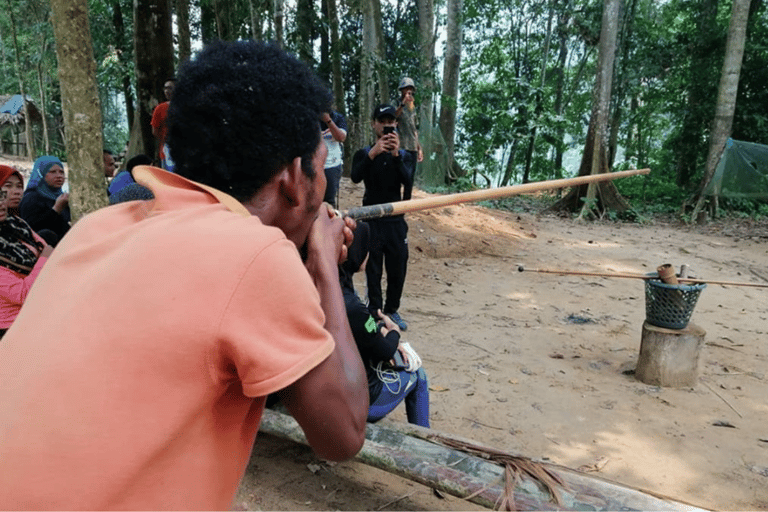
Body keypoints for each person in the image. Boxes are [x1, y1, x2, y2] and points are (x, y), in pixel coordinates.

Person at [0, 40, 368, 510]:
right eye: (319, 169)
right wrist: (322, 264)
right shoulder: (257, 255)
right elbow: (343, 434)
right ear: (295, 177)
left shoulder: (100, 226)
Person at [341, 222, 429, 427]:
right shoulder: (353, 307)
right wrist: (394, 333)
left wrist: (377, 325)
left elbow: (366, 325)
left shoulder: (332, 290)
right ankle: (424, 437)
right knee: (418, 375)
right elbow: (384, 350)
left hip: (324, 390)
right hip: (358, 400)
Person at [351, 104, 412, 331]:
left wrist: (396, 156)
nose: (387, 125)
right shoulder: (364, 153)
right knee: (373, 269)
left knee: (398, 267)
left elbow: (408, 182)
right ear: (374, 124)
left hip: (395, 221)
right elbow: (356, 176)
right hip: (372, 220)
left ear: (396, 124)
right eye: (382, 121)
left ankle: (392, 310)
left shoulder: (405, 155)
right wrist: (372, 153)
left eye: (391, 121)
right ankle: (376, 312)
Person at [0, 165, 53, 339]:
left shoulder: (16, 223)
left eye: (18, 186)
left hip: (35, 311)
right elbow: (22, 293)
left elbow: (46, 246)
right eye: (7, 186)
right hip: (10, 326)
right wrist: (44, 258)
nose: (15, 192)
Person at [19, 155, 70, 244]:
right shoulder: (31, 198)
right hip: (44, 253)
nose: (59, 176)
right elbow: (32, 228)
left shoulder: (63, 197)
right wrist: (56, 209)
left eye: (61, 172)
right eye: (52, 172)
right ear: (40, 173)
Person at [394, 77, 423, 200]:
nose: (409, 92)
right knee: (398, 178)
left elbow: (414, 129)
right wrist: (402, 103)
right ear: (402, 90)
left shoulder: (413, 107)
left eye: (411, 89)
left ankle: (405, 207)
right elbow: (393, 117)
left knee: (409, 180)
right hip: (401, 147)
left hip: (412, 148)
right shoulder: (397, 103)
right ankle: (394, 205)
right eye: (407, 89)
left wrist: (419, 148)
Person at [320, 109, 348, 208]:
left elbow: (341, 138)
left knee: (329, 202)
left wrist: (329, 122)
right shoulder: (309, 116)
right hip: (313, 164)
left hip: (332, 165)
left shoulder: (338, 118)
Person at [151, 77, 175, 171]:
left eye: (170, 88)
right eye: (165, 88)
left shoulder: (185, 107)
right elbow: (155, 130)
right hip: (167, 151)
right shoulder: (160, 109)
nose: (167, 91)